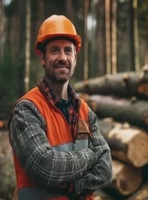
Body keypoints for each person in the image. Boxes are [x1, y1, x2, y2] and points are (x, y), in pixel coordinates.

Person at [8, 15, 113, 200]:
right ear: (42, 57)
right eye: (55, 51)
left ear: (75, 57)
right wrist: (90, 155)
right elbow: (45, 168)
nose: (62, 57)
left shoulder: (85, 112)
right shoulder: (26, 110)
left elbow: (106, 170)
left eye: (68, 51)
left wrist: (75, 184)